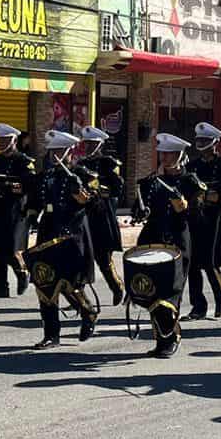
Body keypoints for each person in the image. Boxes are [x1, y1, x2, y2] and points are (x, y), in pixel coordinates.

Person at [130, 133, 203, 358]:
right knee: (152, 291)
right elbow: (137, 209)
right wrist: (139, 212)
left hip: (177, 242)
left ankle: (171, 338)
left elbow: (199, 215)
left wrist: (185, 208)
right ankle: (161, 340)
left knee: (171, 294)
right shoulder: (150, 182)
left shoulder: (190, 182)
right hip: (152, 239)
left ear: (180, 155)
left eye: (171, 153)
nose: (166, 157)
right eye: (163, 153)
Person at [31, 130, 97, 350]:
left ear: (70, 152)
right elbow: (36, 199)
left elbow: (92, 202)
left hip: (73, 232)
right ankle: (51, 334)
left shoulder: (82, 173)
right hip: (49, 230)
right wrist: (31, 213)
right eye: (53, 151)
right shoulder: (47, 175)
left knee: (71, 282)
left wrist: (78, 188)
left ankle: (88, 310)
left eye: (60, 151)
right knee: (45, 280)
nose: (55, 155)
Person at [185, 121, 221, 320]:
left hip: (213, 217)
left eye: (206, 140)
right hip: (194, 218)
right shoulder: (191, 165)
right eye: (199, 140)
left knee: (210, 262)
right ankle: (198, 306)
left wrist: (213, 196)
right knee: (192, 264)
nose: (201, 143)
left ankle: (220, 301)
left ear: (215, 143)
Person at [0, 123, 39, 298]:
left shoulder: (24, 161)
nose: (1, 142)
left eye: (5, 139)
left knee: (11, 248)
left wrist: (7, 184)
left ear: (14, 140)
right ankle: (1, 287)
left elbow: (30, 185)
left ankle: (22, 272)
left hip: (16, 210)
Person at [77, 125, 126, 307]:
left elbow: (117, 189)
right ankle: (78, 293)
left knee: (103, 259)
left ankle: (117, 286)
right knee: (81, 256)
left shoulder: (109, 163)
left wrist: (98, 189)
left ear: (100, 144)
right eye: (87, 143)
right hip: (84, 216)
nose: (89, 146)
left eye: (92, 143)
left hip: (102, 215)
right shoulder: (80, 164)